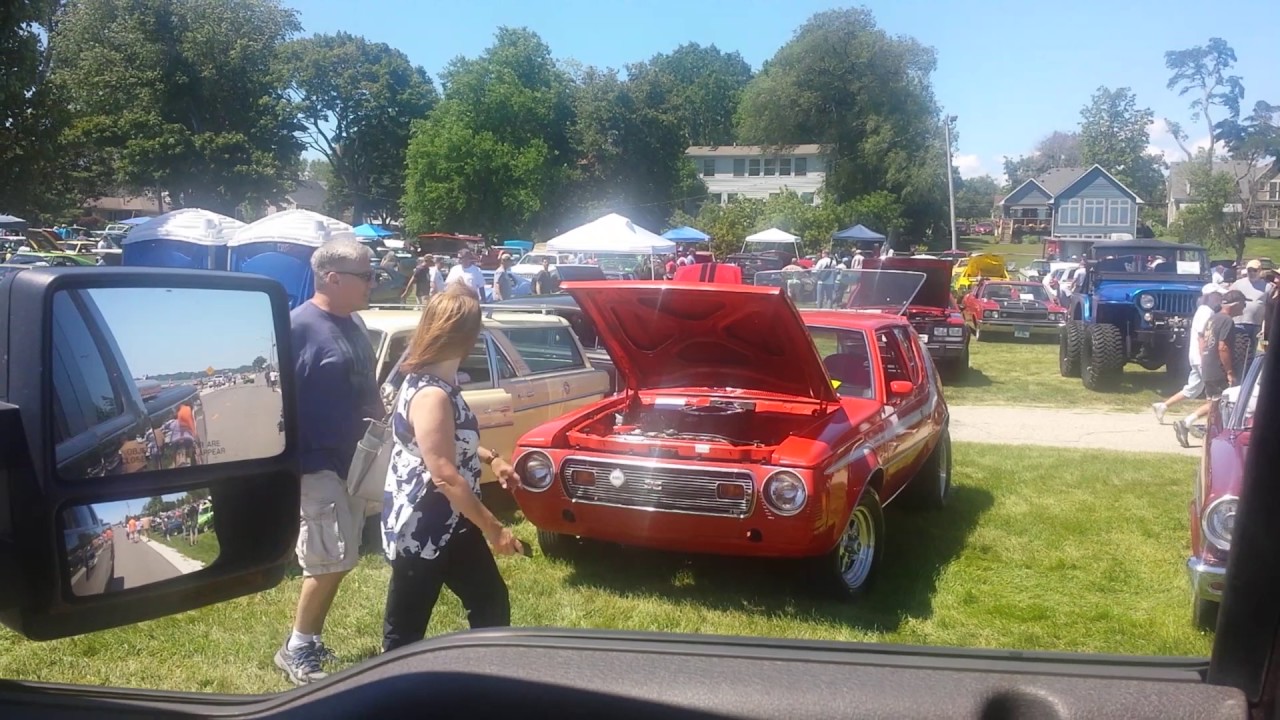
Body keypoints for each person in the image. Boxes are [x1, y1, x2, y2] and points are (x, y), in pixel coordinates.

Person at [381, 285, 523, 652]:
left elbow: (451, 443)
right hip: (423, 526)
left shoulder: (438, 382)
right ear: (466, 335)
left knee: (490, 603)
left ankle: (481, 679)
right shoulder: (432, 395)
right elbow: (443, 472)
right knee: (404, 634)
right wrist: (495, 529)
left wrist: (493, 459)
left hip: (453, 521)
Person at [274, 239, 383, 686]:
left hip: (355, 460)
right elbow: (276, 401)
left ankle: (309, 638)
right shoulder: (296, 328)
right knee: (329, 556)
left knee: (343, 555)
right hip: (314, 462)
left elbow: (365, 388)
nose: (374, 282)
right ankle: (296, 648)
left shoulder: (354, 324)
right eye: (367, 275)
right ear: (332, 278)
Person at [1173, 290, 1247, 447]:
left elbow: (1202, 339)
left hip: (1207, 364)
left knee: (1214, 403)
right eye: (1243, 304)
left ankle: (1205, 432)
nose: (1244, 308)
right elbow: (1223, 347)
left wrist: (1204, 358)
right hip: (1218, 367)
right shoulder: (1227, 321)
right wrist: (1229, 371)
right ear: (1236, 304)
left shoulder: (1212, 319)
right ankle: (1188, 423)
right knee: (1222, 403)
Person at [1153, 284, 1222, 423]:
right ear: (1211, 296)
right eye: (1218, 295)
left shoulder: (1203, 310)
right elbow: (1202, 336)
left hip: (1196, 356)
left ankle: (1163, 406)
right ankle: (1198, 423)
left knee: (1193, 389)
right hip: (1201, 357)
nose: (1221, 298)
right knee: (1215, 395)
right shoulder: (1206, 311)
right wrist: (1206, 357)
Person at [1231, 259, 1267, 361]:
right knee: (1239, 354)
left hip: (1257, 326)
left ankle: (1254, 375)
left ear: (1260, 271)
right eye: (1249, 270)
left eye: (1254, 270)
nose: (1251, 273)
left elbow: (1268, 309)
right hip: (1239, 323)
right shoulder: (1237, 284)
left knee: (1258, 353)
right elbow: (1229, 300)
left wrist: (1264, 328)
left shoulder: (1267, 286)